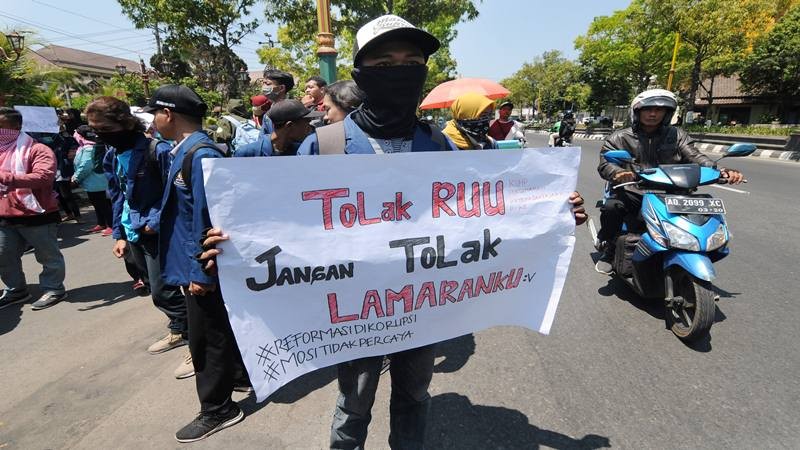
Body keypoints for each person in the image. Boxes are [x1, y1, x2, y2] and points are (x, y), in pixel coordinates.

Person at [199, 15, 584, 449]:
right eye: (385, 64)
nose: (400, 71)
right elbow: (281, 223)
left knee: (414, 396)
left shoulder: (438, 145)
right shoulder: (325, 145)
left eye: (411, 61)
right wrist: (234, 247)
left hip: (421, 310)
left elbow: (478, 215)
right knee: (354, 403)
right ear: (362, 72)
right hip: (354, 313)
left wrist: (551, 210)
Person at [146, 84, 250, 443]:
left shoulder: (201, 154)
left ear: (168, 114)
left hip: (201, 269)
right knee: (218, 328)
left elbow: (208, 222)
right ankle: (236, 376)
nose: (153, 121)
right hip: (191, 264)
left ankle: (218, 409)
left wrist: (200, 273)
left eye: (154, 114)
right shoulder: (187, 150)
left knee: (206, 338)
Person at [85, 97, 192, 378]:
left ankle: (196, 344)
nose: (98, 133)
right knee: (154, 288)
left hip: (157, 232)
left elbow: (175, 193)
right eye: (93, 128)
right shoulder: (111, 154)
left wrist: (155, 221)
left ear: (122, 123)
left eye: (103, 127)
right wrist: (119, 234)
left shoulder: (157, 151)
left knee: (164, 290)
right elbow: (117, 195)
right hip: (132, 231)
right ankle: (179, 330)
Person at [595, 89, 744, 274]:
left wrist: (720, 171)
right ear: (637, 111)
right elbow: (605, 164)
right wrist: (618, 173)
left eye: (659, 110)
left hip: (674, 193)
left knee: (704, 214)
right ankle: (609, 248)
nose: (653, 114)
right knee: (612, 207)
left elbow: (696, 157)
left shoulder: (677, 135)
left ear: (667, 114)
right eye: (647, 109)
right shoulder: (619, 137)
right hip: (635, 192)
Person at [0, 107, 67, 310]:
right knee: (3, 255)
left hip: (37, 213)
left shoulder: (37, 149)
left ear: (16, 127)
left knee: (48, 255)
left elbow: (44, 177)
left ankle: (54, 288)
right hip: (5, 215)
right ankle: (16, 290)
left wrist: (6, 177)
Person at [235, 69, 295, 157]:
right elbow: (262, 139)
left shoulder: (292, 111)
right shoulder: (267, 114)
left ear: (281, 88)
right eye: (263, 83)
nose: (263, 87)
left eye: (267, 84)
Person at [235, 99, 323, 157]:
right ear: (289, 126)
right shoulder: (247, 153)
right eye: (306, 123)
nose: (310, 127)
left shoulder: (301, 152)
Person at [71, 125, 113, 235]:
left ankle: (111, 225)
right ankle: (101, 223)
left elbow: (86, 165)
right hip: (94, 181)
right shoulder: (87, 146)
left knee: (102, 204)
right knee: (97, 203)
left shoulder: (89, 148)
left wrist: (76, 177)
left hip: (96, 181)